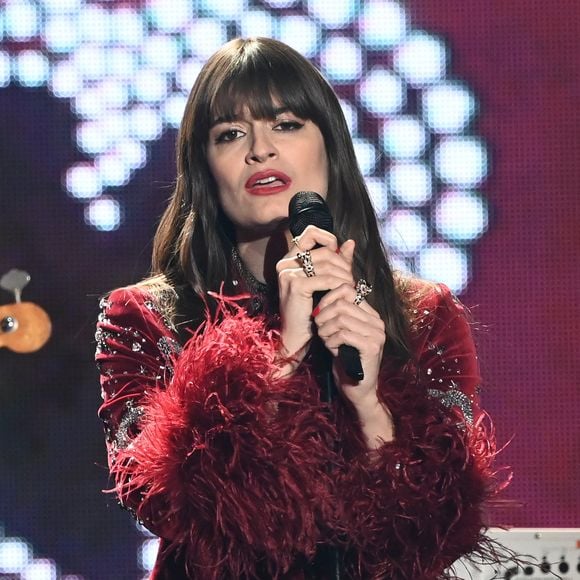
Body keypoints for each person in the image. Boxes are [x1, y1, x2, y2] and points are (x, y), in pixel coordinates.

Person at [95, 37, 505, 579]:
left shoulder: (421, 313)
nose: (260, 149)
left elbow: (443, 522)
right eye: (231, 134)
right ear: (204, 170)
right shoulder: (145, 316)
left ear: (331, 148)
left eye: (286, 124)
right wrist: (278, 356)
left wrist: (368, 404)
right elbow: (160, 502)